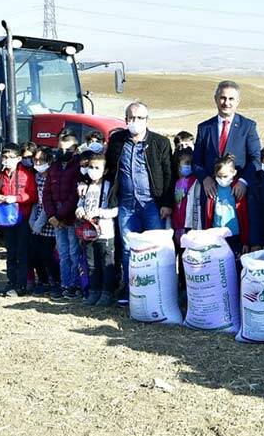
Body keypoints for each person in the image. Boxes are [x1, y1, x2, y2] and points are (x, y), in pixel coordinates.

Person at [105, 101, 175, 304]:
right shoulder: (117, 140)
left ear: (147, 120)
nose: (135, 121)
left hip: (152, 203)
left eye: (139, 118)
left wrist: (167, 203)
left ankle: (158, 290)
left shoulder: (160, 142)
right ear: (126, 119)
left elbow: (168, 174)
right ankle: (131, 290)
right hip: (126, 203)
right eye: (131, 117)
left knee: (155, 246)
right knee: (128, 248)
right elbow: (108, 168)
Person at [193, 81, 263, 203]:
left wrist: (243, 181)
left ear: (238, 101)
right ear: (216, 99)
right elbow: (196, 160)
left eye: (231, 99)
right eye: (223, 98)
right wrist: (205, 178)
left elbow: (256, 159)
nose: (226, 103)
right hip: (211, 194)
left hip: (238, 194)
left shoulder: (248, 126)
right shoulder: (204, 128)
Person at [0, 143, 37, 297]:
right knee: (10, 252)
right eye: (5, 157)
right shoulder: (0, 176)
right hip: (6, 219)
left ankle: (21, 285)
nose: (7, 160)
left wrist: (16, 198)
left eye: (11, 157)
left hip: (22, 219)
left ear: (18, 158)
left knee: (22, 253)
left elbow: (33, 196)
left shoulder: (26, 175)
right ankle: (11, 282)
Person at [43, 130, 83, 298]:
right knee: (62, 252)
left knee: (74, 252)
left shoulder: (78, 167)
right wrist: (52, 215)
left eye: (67, 149)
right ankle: (65, 284)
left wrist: (60, 215)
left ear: (75, 149)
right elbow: (46, 193)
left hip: (71, 215)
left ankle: (74, 284)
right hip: (55, 215)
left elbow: (74, 195)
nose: (63, 152)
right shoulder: (54, 166)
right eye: (61, 148)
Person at [75, 152, 118, 306]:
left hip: (105, 232)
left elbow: (115, 210)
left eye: (97, 168)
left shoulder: (109, 187)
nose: (93, 171)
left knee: (106, 264)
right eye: (90, 167)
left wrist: (99, 212)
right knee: (91, 263)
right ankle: (94, 291)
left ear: (105, 170)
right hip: (88, 232)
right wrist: (80, 210)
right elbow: (80, 203)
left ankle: (107, 293)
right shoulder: (85, 186)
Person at [28, 148, 63, 299]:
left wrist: (40, 222)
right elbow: (35, 201)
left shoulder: (52, 178)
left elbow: (48, 202)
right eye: (35, 160)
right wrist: (33, 221)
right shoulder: (36, 177)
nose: (37, 163)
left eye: (40, 160)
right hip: (36, 220)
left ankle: (56, 281)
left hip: (49, 220)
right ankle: (43, 281)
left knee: (47, 255)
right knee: (35, 255)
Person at [205, 154, 249, 254]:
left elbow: (244, 216)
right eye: (219, 176)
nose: (222, 179)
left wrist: (245, 241)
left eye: (225, 176)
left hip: (235, 236)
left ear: (234, 173)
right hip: (216, 236)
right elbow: (209, 214)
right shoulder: (213, 189)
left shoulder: (237, 189)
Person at [172, 148, 203, 244]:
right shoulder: (177, 182)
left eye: (191, 163)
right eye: (186, 163)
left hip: (191, 224)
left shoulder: (195, 181)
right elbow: (177, 202)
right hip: (178, 224)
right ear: (178, 164)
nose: (189, 166)